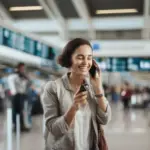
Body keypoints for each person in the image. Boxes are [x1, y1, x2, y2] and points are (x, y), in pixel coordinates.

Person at [42, 38, 111, 150]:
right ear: (69, 59)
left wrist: (98, 88)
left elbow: (105, 119)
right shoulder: (53, 88)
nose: (85, 62)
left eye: (89, 58)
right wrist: (74, 107)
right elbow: (54, 128)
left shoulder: (93, 88)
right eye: (80, 57)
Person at [8, 62, 30, 131]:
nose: (23, 69)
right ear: (18, 68)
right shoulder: (14, 75)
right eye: (22, 68)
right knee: (15, 111)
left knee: (21, 110)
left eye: (23, 68)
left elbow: (25, 84)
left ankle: (21, 125)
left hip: (21, 95)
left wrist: (25, 78)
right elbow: (11, 83)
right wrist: (14, 93)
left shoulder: (22, 76)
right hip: (16, 95)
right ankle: (15, 126)